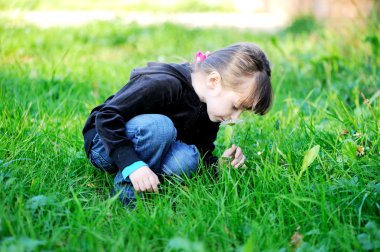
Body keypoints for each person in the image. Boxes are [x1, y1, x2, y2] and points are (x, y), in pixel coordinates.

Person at [82, 42, 273, 207]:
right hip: (104, 145)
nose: (235, 117)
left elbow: (202, 149)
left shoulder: (209, 108)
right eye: (235, 106)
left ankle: (145, 174)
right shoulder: (164, 84)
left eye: (242, 112)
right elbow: (107, 116)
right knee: (160, 126)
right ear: (214, 81)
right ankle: (127, 198)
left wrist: (219, 166)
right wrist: (132, 165)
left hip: (144, 148)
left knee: (190, 159)